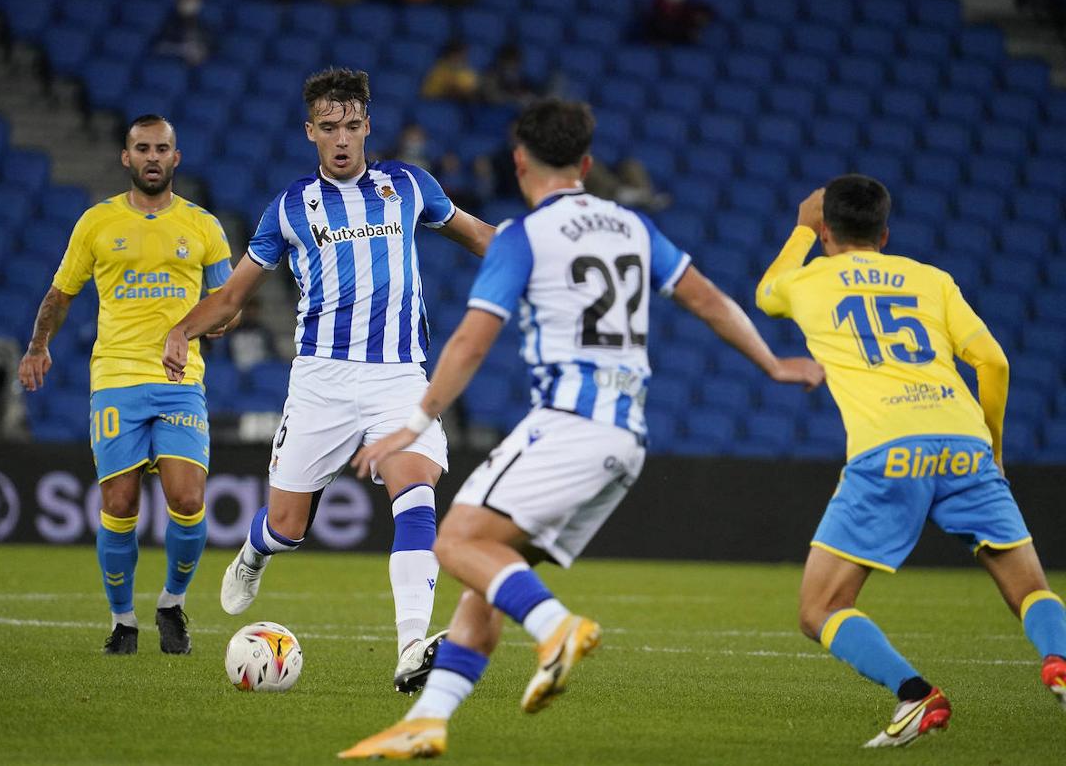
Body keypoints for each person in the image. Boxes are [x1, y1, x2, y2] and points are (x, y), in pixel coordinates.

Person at [337, 99, 823, 759]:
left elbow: (471, 345)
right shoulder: (632, 226)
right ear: (587, 164)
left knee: (454, 543)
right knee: (489, 576)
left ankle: (557, 626)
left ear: (518, 162)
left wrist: (413, 422)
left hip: (568, 424)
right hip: (626, 440)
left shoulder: (523, 236)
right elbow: (706, 298)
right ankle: (428, 718)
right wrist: (771, 361)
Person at [161, 67, 495, 692]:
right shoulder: (290, 208)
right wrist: (182, 330)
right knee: (287, 526)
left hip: (399, 377)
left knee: (416, 494)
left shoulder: (409, 186)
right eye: (328, 128)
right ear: (309, 132)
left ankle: (409, 649)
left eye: (351, 125)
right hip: (321, 381)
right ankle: (257, 551)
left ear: (367, 126)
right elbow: (232, 295)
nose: (341, 138)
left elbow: (479, 236)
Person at [755, 176, 1066, 747]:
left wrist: (801, 230)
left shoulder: (807, 281)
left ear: (827, 231)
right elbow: (994, 363)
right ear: (885, 232)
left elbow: (766, 292)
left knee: (819, 608)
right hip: (964, 443)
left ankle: (916, 695)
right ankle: (1060, 661)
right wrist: (992, 449)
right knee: (1030, 590)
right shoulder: (931, 279)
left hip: (888, 450)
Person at [17, 114, 234, 656]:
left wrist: (192, 329)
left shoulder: (203, 225)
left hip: (180, 380)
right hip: (114, 379)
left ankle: (171, 604)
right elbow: (60, 295)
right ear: (126, 157)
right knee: (118, 503)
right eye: (143, 148)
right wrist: (38, 345)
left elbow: (227, 305)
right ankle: (122, 621)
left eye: (163, 147)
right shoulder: (96, 222)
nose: (153, 156)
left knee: (187, 498)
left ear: (176, 158)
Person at [154, 0, 214, 66]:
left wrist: (201, 51)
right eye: (187, 0)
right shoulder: (169, 23)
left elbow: (212, 48)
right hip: (174, 65)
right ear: (179, 3)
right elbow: (159, 47)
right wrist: (182, 49)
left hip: (199, 67)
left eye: (194, 1)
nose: (190, 4)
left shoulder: (203, 25)